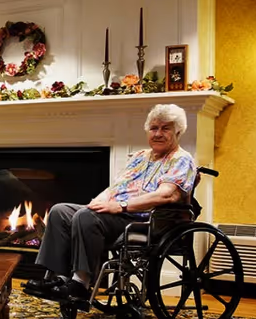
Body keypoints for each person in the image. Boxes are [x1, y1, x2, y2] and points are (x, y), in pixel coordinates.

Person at [24, 104, 197, 308]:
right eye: (153, 128)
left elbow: (166, 195)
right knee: (60, 211)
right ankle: (59, 279)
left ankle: (80, 284)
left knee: (85, 217)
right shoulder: (141, 156)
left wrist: (121, 206)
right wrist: (97, 202)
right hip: (115, 212)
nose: (158, 133)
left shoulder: (181, 159)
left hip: (143, 220)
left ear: (178, 131)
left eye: (165, 128)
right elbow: (116, 187)